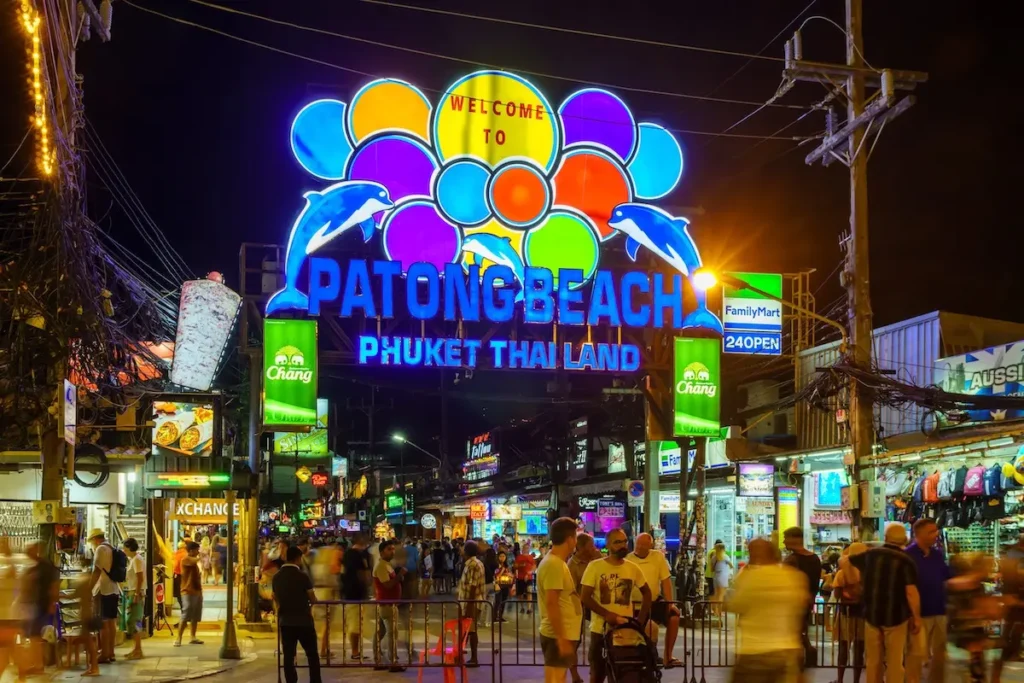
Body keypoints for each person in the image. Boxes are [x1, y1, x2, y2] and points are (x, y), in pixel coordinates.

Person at [845, 523, 921, 683]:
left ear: (885, 538)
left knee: (873, 661)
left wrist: (855, 582)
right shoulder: (907, 561)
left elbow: (847, 559)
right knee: (894, 661)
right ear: (905, 541)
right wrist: (916, 617)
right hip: (896, 616)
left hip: (871, 615)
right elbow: (911, 592)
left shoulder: (870, 555)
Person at [726, 538, 809, 682]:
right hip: (785, 651)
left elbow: (734, 604)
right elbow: (801, 605)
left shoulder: (749, 578)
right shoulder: (794, 577)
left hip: (753, 652)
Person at [580, 528, 652, 683]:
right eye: (617, 542)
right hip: (600, 631)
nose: (623, 545)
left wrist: (640, 621)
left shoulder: (632, 568)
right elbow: (585, 597)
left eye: (625, 541)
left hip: (625, 633)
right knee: (597, 674)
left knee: (622, 675)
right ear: (608, 544)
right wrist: (607, 614)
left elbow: (647, 593)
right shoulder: (595, 567)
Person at [904, 519, 950, 683]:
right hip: (919, 613)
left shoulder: (937, 554)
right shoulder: (908, 555)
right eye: (931, 531)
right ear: (919, 534)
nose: (936, 534)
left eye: (936, 530)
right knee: (916, 654)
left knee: (940, 654)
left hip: (939, 609)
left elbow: (946, 576)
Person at [537, 518, 583, 683]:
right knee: (555, 680)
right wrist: (561, 638)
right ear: (570, 539)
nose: (576, 542)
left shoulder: (557, 562)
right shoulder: (554, 564)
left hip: (562, 633)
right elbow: (551, 603)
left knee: (559, 679)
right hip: (556, 635)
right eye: (576, 537)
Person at [628, 533, 683, 668]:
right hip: (637, 604)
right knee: (650, 628)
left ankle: (668, 656)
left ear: (650, 546)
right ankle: (648, 658)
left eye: (643, 545)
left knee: (674, 617)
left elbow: (665, 581)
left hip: (655, 600)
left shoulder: (658, 557)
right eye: (638, 544)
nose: (640, 547)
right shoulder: (628, 559)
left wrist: (670, 603)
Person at [273, 545, 323, 683]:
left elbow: (275, 597)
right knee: (312, 654)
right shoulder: (303, 576)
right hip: (304, 621)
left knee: (288, 656)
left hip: (285, 621)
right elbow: (312, 598)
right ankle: (315, 680)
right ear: (298, 558)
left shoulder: (276, 577)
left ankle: (291, 680)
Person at [783, 527, 822, 665]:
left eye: (786, 538)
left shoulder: (791, 560)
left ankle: (800, 659)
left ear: (795, 539)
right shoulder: (815, 558)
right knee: (801, 630)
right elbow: (816, 584)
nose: (784, 542)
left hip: (793, 603)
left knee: (795, 633)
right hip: (808, 601)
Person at [20, 541, 58, 675]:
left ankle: (38, 664)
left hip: (41, 604)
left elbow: (54, 585)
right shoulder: (35, 567)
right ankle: (37, 663)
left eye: (30, 550)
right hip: (35, 604)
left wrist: (52, 603)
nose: (28, 553)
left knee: (35, 636)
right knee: (34, 636)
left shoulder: (45, 567)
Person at [833, 543, 868, 683]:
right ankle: (856, 680)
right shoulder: (869, 572)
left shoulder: (842, 572)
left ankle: (840, 679)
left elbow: (836, 594)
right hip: (863, 615)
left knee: (843, 648)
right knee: (859, 651)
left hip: (845, 614)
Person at [372, 540, 408, 672]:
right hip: (386, 603)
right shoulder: (381, 566)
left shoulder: (387, 565)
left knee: (381, 632)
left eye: (393, 549)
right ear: (382, 552)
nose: (392, 551)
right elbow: (387, 585)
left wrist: (398, 576)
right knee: (392, 633)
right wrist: (400, 575)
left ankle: (379, 659)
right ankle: (393, 661)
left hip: (390, 603)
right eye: (389, 549)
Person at [87, 529, 122, 663]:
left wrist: (88, 588)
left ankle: (105, 654)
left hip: (103, 590)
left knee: (104, 623)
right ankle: (111, 652)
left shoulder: (100, 549)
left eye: (92, 542)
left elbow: (96, 571)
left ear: (95, 539)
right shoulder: (111, 547)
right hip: (113, 589)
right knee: (112, 622)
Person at [994, 533, 1024, 683]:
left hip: (1009, 594)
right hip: (1017, 596)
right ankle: (1012, 653)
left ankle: (1006, 651)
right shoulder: (1019, 557)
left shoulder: (1010, 553)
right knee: (1017, 625)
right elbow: (1020, 576)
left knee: (1010, 624)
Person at [341, 534, 372, 661]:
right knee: (355, 624)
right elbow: (362, 575)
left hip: (349, 593)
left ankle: (356, 650)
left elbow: (342, 573)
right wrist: (367, 586)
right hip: (356, 594)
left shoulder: (347, 554)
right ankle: (355, 651)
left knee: (355, 623)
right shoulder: (358, 556)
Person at [457, 540, 486, 667]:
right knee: (466, 630)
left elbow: (473, 586)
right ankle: (460, 655)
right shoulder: (472, 563)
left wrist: (469, 605)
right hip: (467, 601)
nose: (461, 550)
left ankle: (474, 658)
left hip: (471, 602)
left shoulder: (473, 565)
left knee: (471, 630)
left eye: (463, 548)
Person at [176, 541, 205, 647]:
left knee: (195, 615)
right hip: (187, 591)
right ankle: (178, 637)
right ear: (191, 551)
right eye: (197, 550)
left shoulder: (192, 560)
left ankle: (193, 636)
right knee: (186, 613)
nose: (198, 552)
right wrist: (202, 556)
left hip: (197, 590)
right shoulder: (185, 559)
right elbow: (195, 560)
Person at [122, 538, 146, 660]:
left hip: (135, 593)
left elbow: (140, 578)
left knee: (134, 621)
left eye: (125, 548)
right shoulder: (134, 560)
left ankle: (138, 650)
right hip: (133, 592)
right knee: (131, 621)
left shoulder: (136, 560)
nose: (123, 550)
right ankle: (136, 649)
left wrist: (136, 594)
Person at [711, 543, 733, 620]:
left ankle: (716, 611)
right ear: (723, 549)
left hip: (716, 577)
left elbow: (711, 569)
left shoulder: (714, 557)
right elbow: (731, 566)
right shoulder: (725, 557)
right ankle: (720, 612)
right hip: (723, 577)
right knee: (721, 595)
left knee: (716, 595)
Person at [515, 544, 538, 615]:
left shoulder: (531, 558)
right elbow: (515, 566)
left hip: (529, 578)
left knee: (529, 592)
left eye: (527, 548)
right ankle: (522, 607)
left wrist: (529, 573)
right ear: (522, 549)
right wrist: (520, 566)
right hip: (520, 577)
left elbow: (534, 566)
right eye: (524, 548)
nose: (526, 549)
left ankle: (529, 608)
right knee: (520, 594)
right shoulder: (519, 557)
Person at [494, 551, 515, 623]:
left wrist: (510, 575)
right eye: (501, 556)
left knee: (503, 601)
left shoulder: (507, 566)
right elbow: (496, 575)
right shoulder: (497, 565)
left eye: (504, 556)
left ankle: (500, 616)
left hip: (506, 585)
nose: (502, 558)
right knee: (497, 601)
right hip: (499, 585)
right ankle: (494, 616)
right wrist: (502, 570)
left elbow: (511, 575)